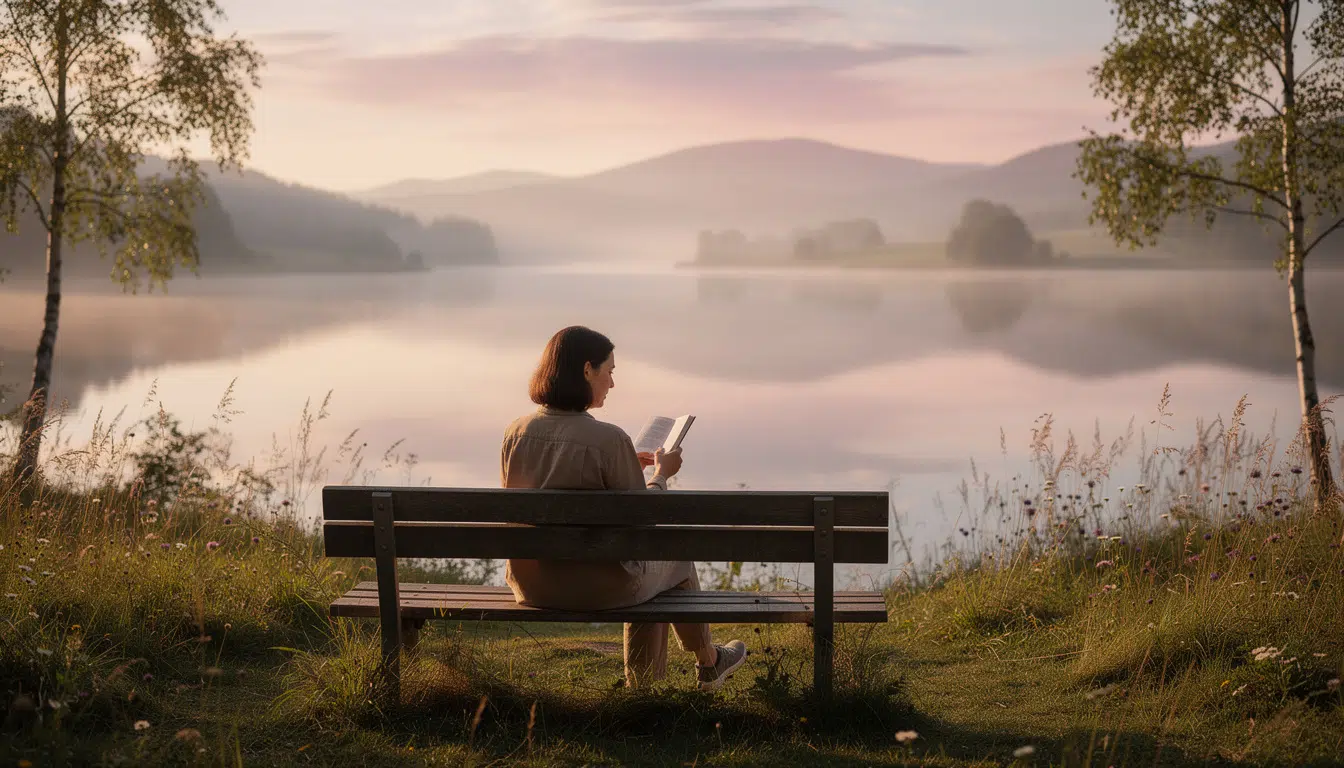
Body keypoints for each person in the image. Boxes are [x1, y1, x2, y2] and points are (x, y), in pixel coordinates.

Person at [501, 325, 748, 690]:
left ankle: (675, 675)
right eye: (610, 372)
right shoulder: (608, 439)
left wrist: (624, 464)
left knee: (651, 564)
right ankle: (699, 664)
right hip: (601, 589)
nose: (612, 383)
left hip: (533, 584)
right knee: (669, 552)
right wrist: (661, 475)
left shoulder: (516, 432)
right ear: (588, 370)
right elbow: (643, 524)